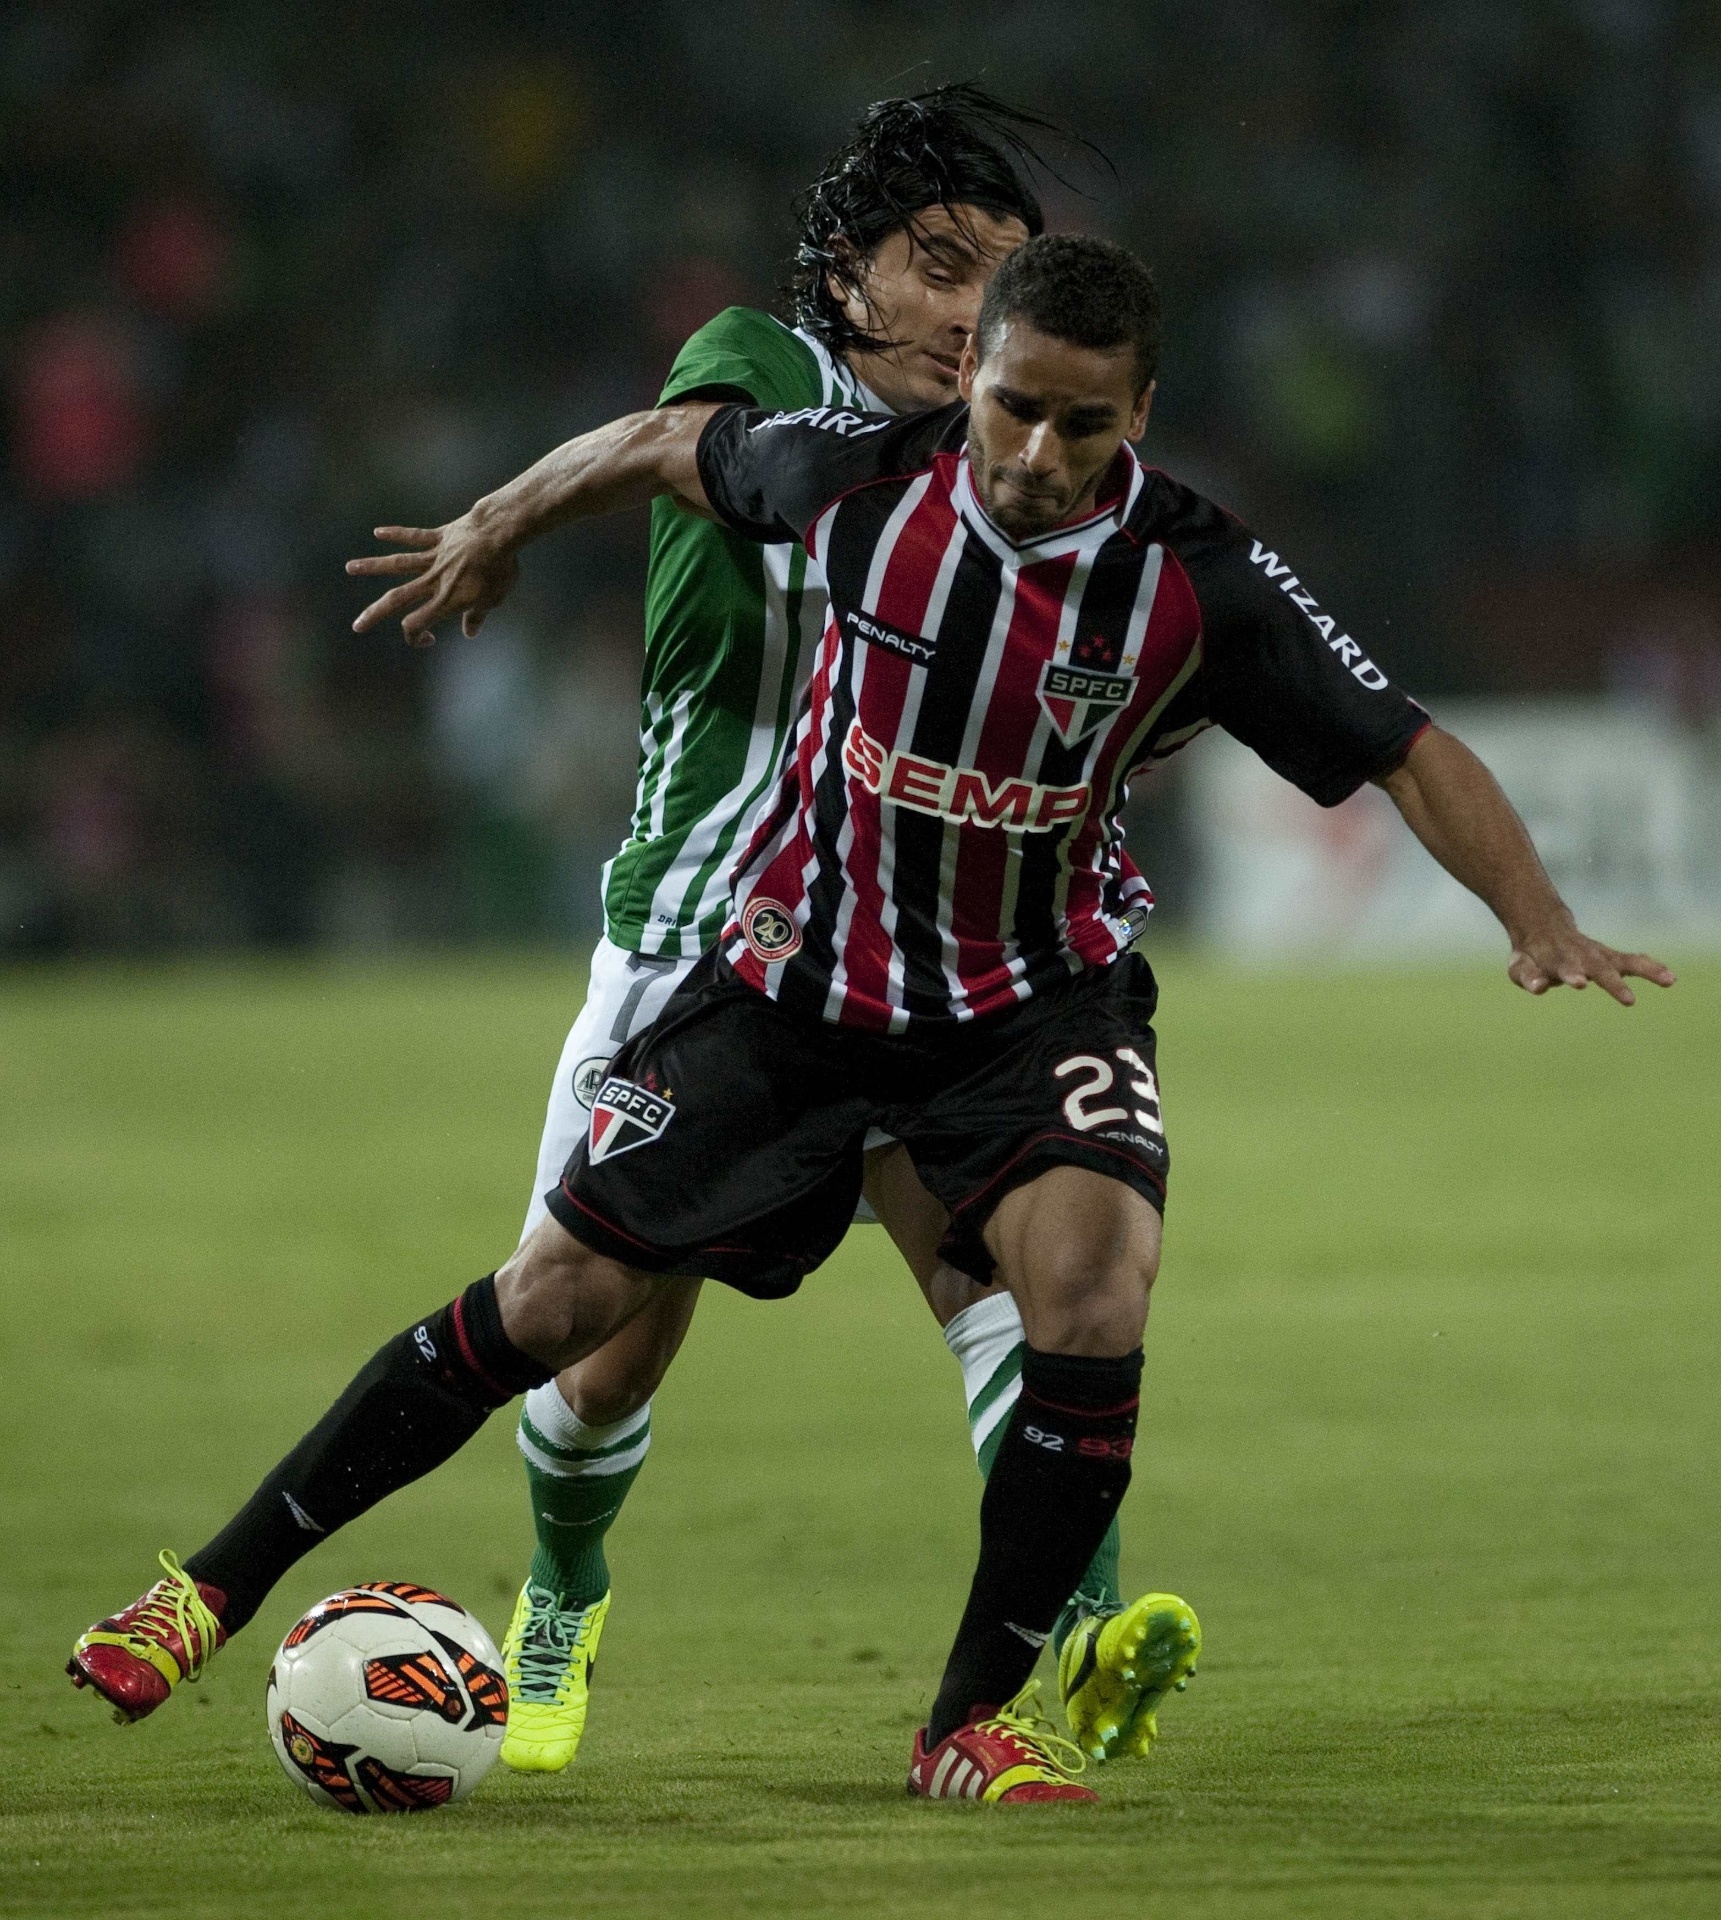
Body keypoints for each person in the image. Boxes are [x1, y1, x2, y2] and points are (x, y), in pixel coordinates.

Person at [71, 232, 1674, 1804]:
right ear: (968, 374)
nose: (1039, 451)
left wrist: (1532, 918)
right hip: (793, 989)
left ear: (1143, 412)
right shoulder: (852, 474)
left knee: (1094, 1290)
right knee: (558, 1306)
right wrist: (495, 521)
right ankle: (203, 1591)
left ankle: (968, 1725)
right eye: (1013, 406)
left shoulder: (1200, 582)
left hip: (1031, 1003)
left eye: (1084, 421)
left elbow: (1404, 744)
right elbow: (665, 442)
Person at [68, 104, 1196, 1782]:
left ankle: (1076, 1632)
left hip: (901, 941)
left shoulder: (1011, 463)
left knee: (1017, 1282)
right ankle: (566, 1588)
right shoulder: (761, 366)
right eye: (935, 270)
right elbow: (670, 446)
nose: (972, 315)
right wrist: (502, 521)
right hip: (690, 940)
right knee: (593, 1348)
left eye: (995, 282)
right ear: (844, 275)